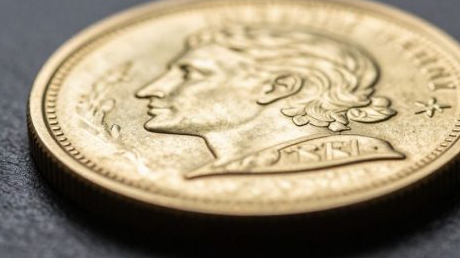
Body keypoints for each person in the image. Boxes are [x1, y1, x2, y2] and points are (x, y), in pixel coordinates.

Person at [135, 24, 403, 178]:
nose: (149, 90)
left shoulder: (355, 160)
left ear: (277, 87)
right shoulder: (224, 172)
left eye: (189, 74)